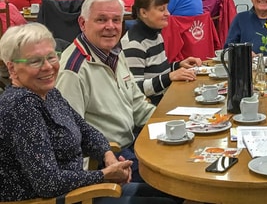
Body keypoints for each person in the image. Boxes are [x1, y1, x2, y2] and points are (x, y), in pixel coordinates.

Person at [0, 23, 179, 204]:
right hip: (56, 199)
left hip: (75, 189)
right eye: (35, 61)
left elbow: (86, 131)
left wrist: (108, 156)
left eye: (51, 57)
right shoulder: (20, 106)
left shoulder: (49, 93)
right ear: (12, 68)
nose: (47, 67)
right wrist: (103, 175)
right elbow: (48, 183)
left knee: (174, 192)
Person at [56, 0, 155, 183]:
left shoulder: (114, 52)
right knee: (174, 190)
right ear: (83, 24)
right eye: (101, 20)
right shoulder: (73, 71)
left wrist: (173, 124)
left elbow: (137, 105)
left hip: (133, 145)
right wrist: (99, 175)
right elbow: (70, 141)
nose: (110, 27)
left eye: (116, 20)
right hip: (108, 161)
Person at [121, 0, 202, 105]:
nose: (168, 13)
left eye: (167, 8)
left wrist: (178, 65)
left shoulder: (156, 34)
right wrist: (169, 77)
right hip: (152, 107)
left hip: (165, 98)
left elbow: (155, 70)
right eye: (161, 9)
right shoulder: (134, 44)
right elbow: (135, 89)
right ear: (144, 13)